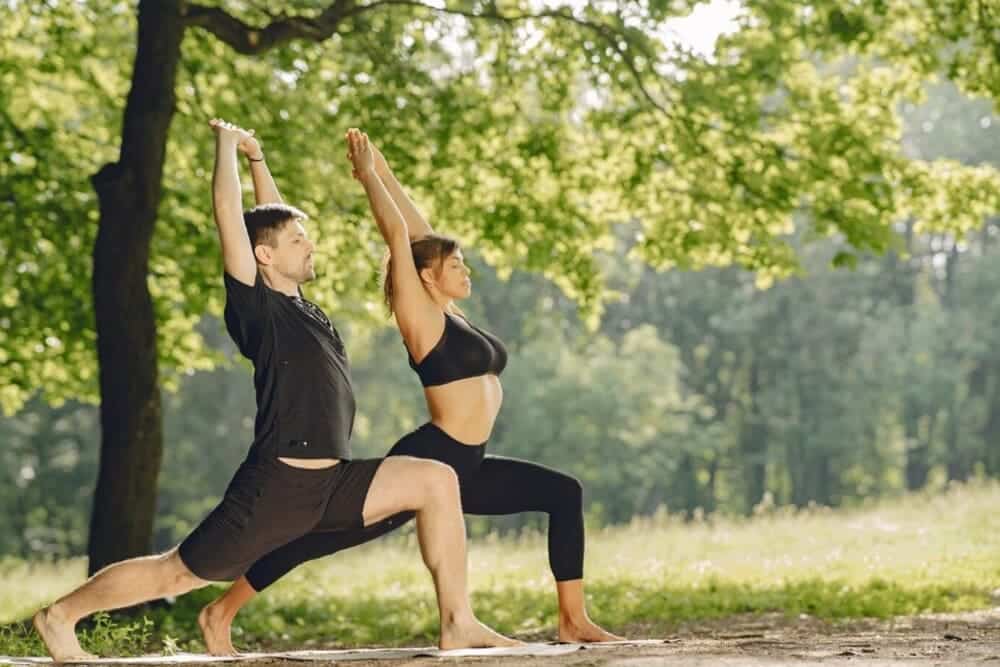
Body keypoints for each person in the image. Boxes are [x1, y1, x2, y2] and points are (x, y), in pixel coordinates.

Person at [32, 120, 514, 662]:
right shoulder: (258, 310)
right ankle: (60, 616)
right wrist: (225, 148)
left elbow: (272, 223)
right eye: (297, 242)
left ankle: (457, 621)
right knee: (180, 572)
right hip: (278, 486)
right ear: (264, 258)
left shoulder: (302, 307)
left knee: (436, 480)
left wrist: (260, 161)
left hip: (332, 479)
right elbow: (233, 222)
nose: (309, 246)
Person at [195, 128, 621, 656]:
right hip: (433, 456)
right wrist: (368, 180)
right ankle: (220, 611)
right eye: (455, 264)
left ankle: (572, 619)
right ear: (424, 276)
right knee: (317, 537)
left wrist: (379, 167)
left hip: (470, 460)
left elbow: (419, 232)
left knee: (564, 493)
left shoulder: (450, 310)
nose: (464, 268)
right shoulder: (418, 312)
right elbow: (399, 237)